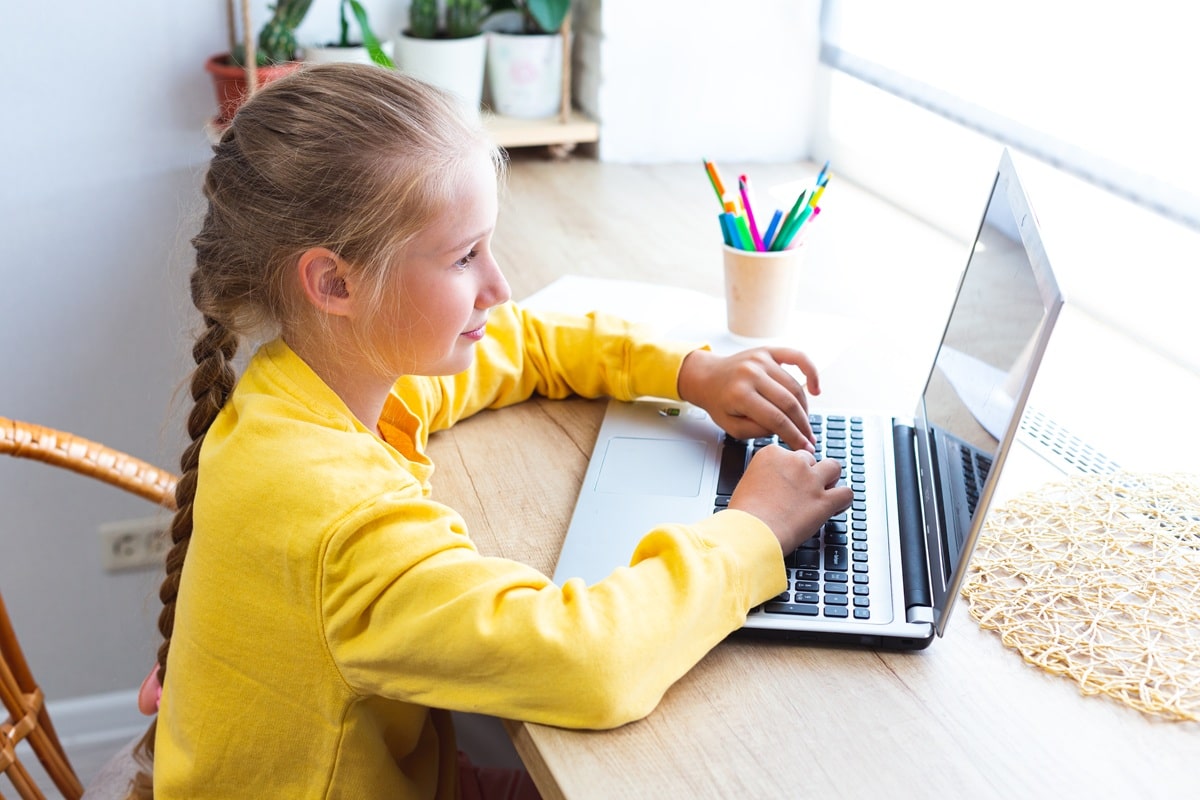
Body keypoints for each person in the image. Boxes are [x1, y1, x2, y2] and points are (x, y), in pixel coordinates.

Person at [127, 63, 852, 800]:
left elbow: (524, 342)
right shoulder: (343, 521)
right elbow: (591, 664)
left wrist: (690, 372)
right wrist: (753, 529)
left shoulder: (307, 387)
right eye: (464, 256)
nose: (498, 286)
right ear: (335, 282)